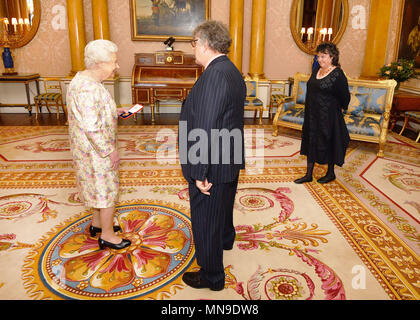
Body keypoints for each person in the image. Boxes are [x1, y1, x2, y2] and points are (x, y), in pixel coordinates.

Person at [178, 20, 246, 291]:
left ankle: (211, 276)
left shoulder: (215, 74)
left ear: (205, 44)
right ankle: (226, 238)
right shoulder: (229, 69)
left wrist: (199, 172)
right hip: (226, 155)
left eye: (194, 43)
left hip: (213, 161)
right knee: (224, 204)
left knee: (205, 216)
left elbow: (205, 126)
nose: (193, 48)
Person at [67, 40, 131, 250]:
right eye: (113, 62)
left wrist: (115, 111)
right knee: (106, 190)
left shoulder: (86, 81)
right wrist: (110, 151)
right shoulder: (87, 89)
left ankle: (97, 223)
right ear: (99, 63)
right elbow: (92, 127)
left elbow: (92, 113)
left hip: (86, 149)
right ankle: (108, 235)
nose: (116, 66)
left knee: (95, 187)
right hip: (96, 151)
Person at [294, 42, 350, 184]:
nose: (320, 59)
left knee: (328, 141)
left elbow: (345, 96)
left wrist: (340, 108)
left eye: (323, 56)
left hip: (329, 115)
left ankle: (330, 173)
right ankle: (308, 174)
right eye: (318, 56)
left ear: (332, 57)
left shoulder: (337, 74)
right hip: (312, 114)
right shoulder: (316, 70)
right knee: (311, 140)